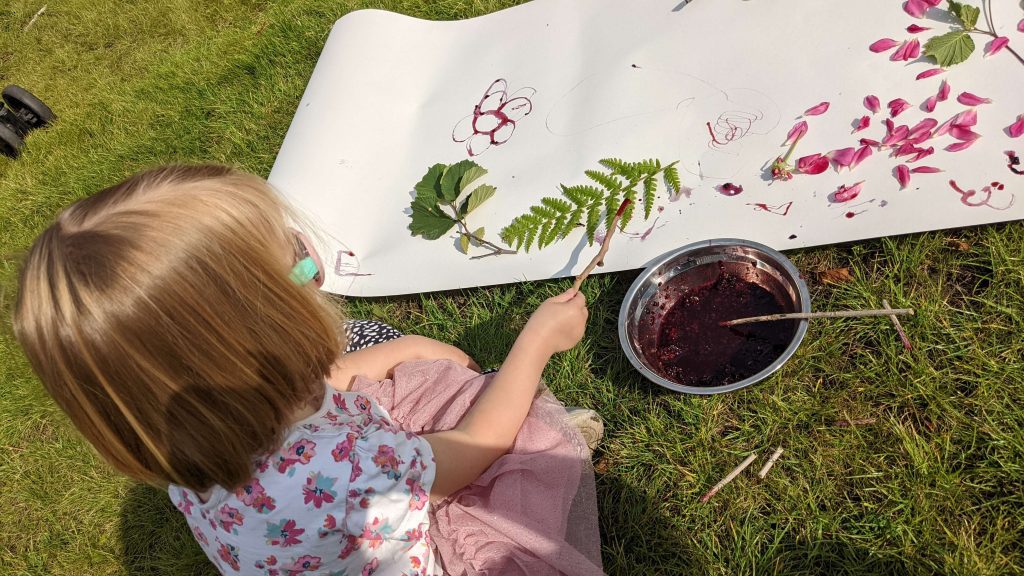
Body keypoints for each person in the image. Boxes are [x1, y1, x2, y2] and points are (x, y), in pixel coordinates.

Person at [13, 165, 605, 575]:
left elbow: (329, 378)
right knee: (522, 426)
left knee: (399, 357)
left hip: (339, 516)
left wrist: (403, 348)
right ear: (267, 332)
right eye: (299, 269)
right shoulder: (348, 470)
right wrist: (535, 342)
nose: (314, 271)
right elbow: (476, 446)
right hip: (420, 535)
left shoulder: (189, 441)